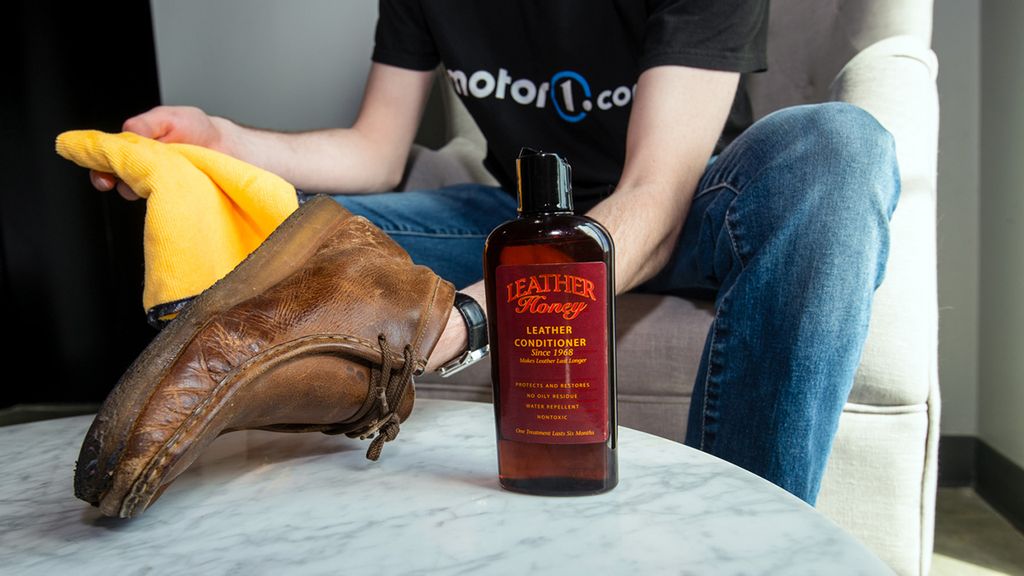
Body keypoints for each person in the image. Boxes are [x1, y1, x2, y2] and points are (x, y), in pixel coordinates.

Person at [90, 0, 899, 505]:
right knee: (284, 225)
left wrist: (472, 317)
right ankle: (212, 409)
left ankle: (756, 542)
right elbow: (375, 150)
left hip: (695, 209)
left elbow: (654, 197)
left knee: (839, 146)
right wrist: (220, 144)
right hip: (516, 214)